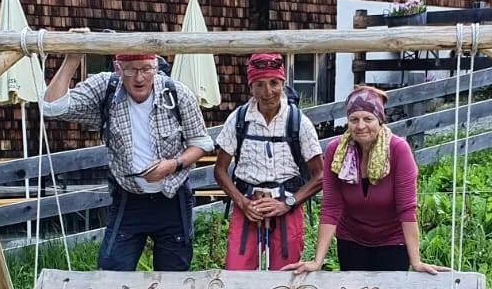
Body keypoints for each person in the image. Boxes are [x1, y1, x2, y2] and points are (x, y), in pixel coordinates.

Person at [41, 43, 213, 272]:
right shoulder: (106, 88)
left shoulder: (176, 93)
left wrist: (173, 164)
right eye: (131, 70)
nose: (139, 78)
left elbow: (201, 143)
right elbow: (53, 107)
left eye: (146, 69)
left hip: (172, 196)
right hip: (129, 196)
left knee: (175, 276)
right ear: (118, 69)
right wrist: (72, 58)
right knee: (112, 269)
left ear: (156, 68)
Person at [284, 86, 444, 275]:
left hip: (392, 241)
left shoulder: (398, 150)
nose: (360, 126)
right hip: (351, 239)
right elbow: (331, 208)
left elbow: (407, 209)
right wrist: (317, 261)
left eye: (368, 119)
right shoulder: (336, 151)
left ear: (380, 120)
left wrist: (416, 262)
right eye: (354, 119)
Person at [214, 52, 324, 270]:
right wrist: (241, 202)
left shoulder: (298, 122)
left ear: (283, 82)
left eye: (274, 83)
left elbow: (320, 175)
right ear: (251, 86)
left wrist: (287, 204)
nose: (267, 92)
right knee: (237, 273)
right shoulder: (238, 119)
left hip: (287, 204)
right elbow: (220, 170)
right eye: (260, 84)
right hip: (247, 203)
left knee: (286, 276)